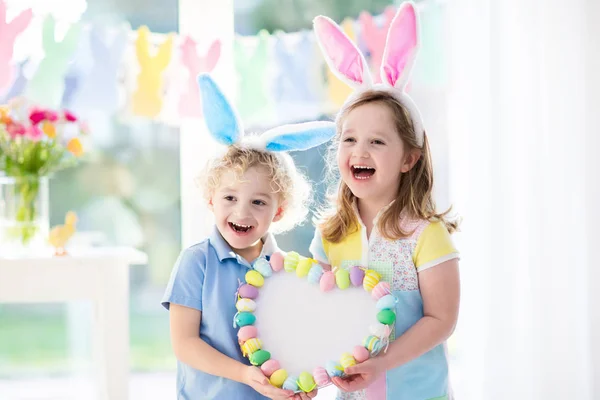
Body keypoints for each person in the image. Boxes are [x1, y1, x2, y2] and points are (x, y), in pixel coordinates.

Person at [310, 3, 460, 399]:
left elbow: (441, 319)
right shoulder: (329, 233)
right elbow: (318, 312)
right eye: (349, 139)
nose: (360, 151)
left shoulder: (427, 235)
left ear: (409, 158)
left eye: (377, 141)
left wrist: (383, 363)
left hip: (417, 392)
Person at [162, 74, 335, 400]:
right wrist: (244, 374)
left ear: (279, 212)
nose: (242, 213)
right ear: (211, 199)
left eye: (258, 202)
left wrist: (300, 381)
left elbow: (292, 341)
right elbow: (184, 344)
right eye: (230, 198)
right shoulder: (196, 262)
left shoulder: (285, 270)